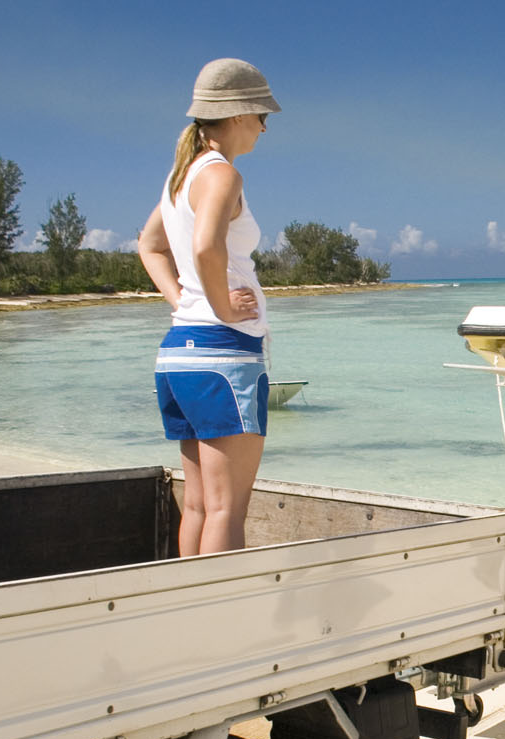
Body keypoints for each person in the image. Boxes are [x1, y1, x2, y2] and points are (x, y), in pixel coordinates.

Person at [137, 58, 280, 555]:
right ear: (238, 114)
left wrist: (184, 300)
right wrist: (221, 306)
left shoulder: (181, 178)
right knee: (226, 510)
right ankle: (226, 605)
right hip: (223, 355)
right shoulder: (221, 175)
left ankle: (189, 599)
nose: (264, 127)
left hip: (180, 354)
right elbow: (204, 246)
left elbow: (149, 246)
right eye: (262, 115)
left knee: (198, 506)